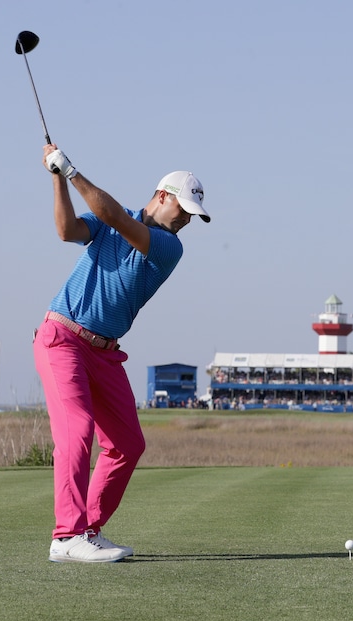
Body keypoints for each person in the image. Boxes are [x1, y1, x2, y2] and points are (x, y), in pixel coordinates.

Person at [33, 144, 210, 563]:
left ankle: (88, 530)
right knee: (77, 430)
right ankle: (66, 536)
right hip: (63, 337)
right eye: (182, 210)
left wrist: (72, 171)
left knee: (128, 444)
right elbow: (67, 230)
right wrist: (58, 176)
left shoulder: (169, 247)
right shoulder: (114, 220)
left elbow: (114, 216)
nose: (185, 220)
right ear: (162, 195)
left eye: (192, 216)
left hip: (105, 353)